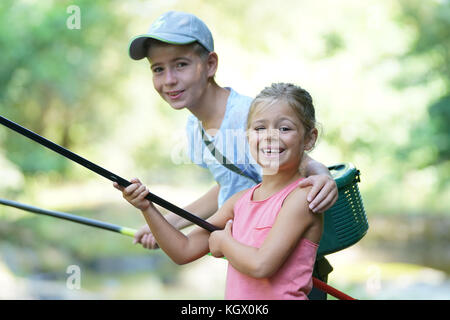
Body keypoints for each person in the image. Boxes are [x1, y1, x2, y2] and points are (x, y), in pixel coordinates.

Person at [127, 11, 335, 299]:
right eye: (158, 69)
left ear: (210, 64)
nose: (169, 80)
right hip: (244, 249)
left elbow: (301, 163)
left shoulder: (248, 115)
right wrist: (166, 220)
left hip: (282, 257)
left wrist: (324, 177)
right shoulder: (195, 129)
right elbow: (229, 184)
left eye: (181, 65)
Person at [115, 83, 324, 299]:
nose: (270, 136)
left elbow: (262, 265)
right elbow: (183, 250)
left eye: (284, 128)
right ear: (247, 137)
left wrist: (224, 242)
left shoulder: (300, 198)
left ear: (309, 138)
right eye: (260, 128)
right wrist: (146, 207)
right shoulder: (239, 201)